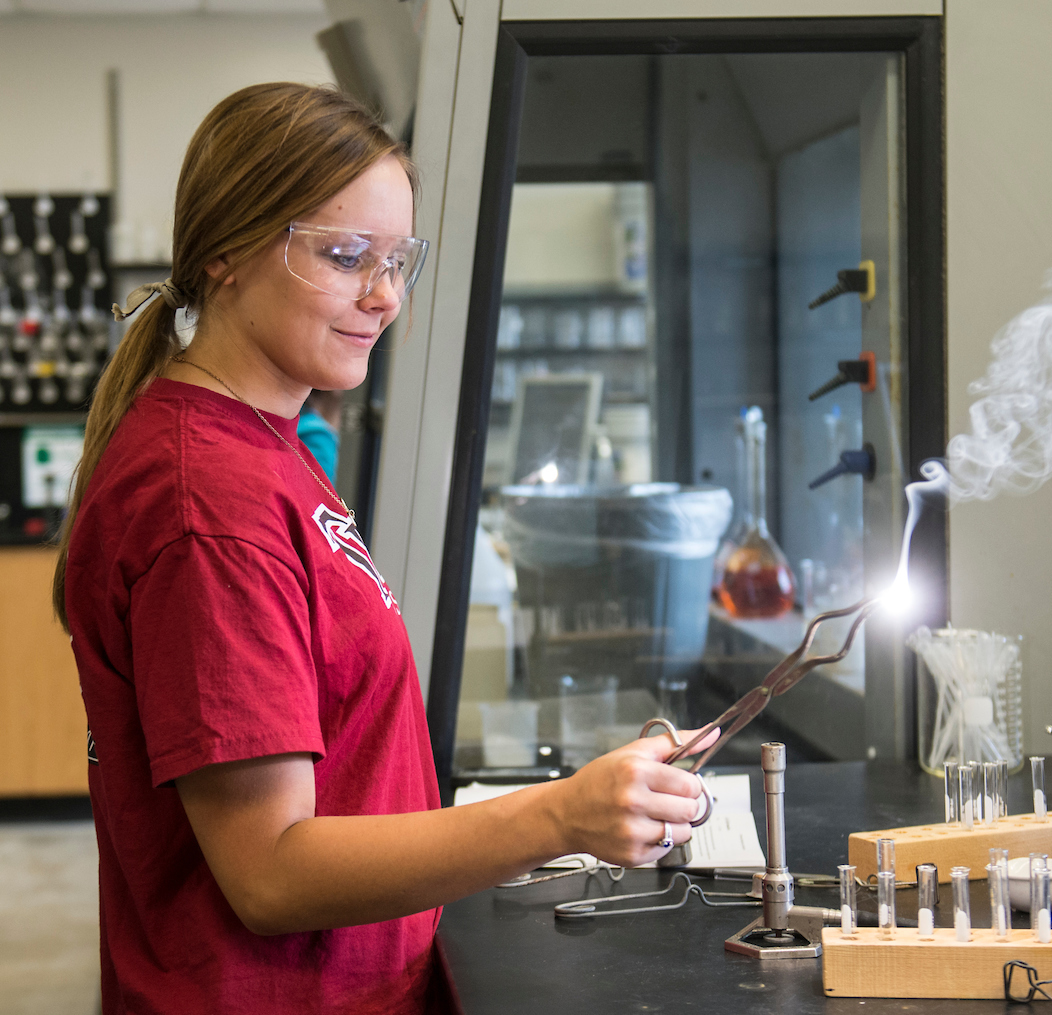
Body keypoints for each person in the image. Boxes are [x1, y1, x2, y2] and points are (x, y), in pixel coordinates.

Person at [54, 83, 713, 1014]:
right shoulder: (207, 502)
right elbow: (271, 872)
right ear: (225, 255)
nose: (386, 296)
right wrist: (563, 813)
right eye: (344, 255)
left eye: (398, 259)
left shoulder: (264, 445)